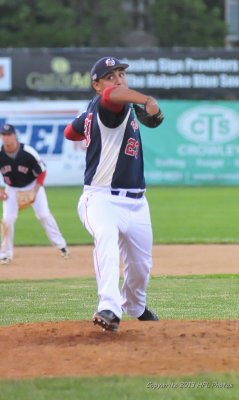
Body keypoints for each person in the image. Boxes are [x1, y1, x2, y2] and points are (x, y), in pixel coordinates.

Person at [64, 56, 163, 332]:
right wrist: (146, 100)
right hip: (101, 199)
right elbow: (112, 95)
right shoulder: (109, 103)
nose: (118, 79)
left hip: (136, 202)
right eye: (110, 76)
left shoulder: (106, 108)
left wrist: (86, 125)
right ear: (97, 85)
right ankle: (109, 306)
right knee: (105, 238)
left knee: (141, 266)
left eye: (121, 73)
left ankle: (135, 305)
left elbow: (68, 132)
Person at [0, 123, 70, 264]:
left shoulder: (28, 152)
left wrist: (34, 191)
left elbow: (42, 171)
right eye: (3, 135)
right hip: (11, 188)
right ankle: (6, 254)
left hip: (32, 185)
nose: (6, 137)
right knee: (7, 219)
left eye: (9, 134)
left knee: (44, 215)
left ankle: (61, 246)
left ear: (15, 135)